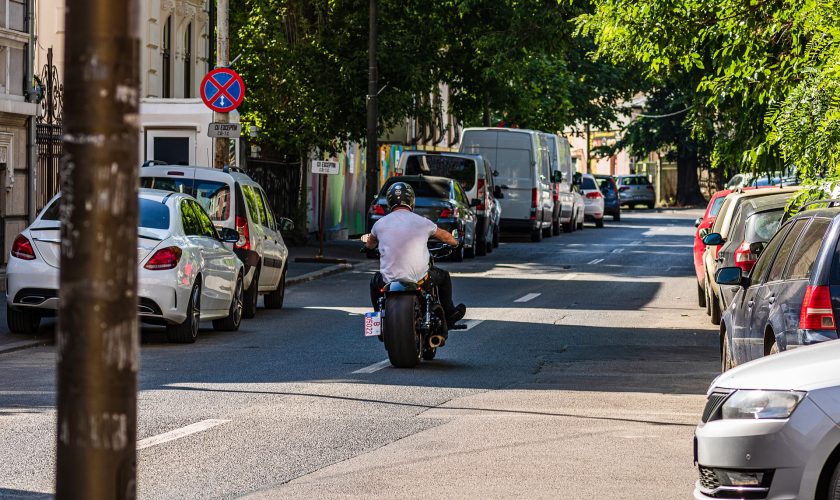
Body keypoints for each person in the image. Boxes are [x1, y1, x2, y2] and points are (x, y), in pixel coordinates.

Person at [364, 182, 466, 326]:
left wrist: (369, 247)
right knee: (443, 277)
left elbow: (370, 244)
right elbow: (445, 236)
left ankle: (378, 321)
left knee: (374, 282)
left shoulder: (379, 224)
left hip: (388, 281)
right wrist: (456, 243)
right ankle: (450, 315)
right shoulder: (422, 222)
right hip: (420, 280)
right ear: (411, 201)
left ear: (389, 201)